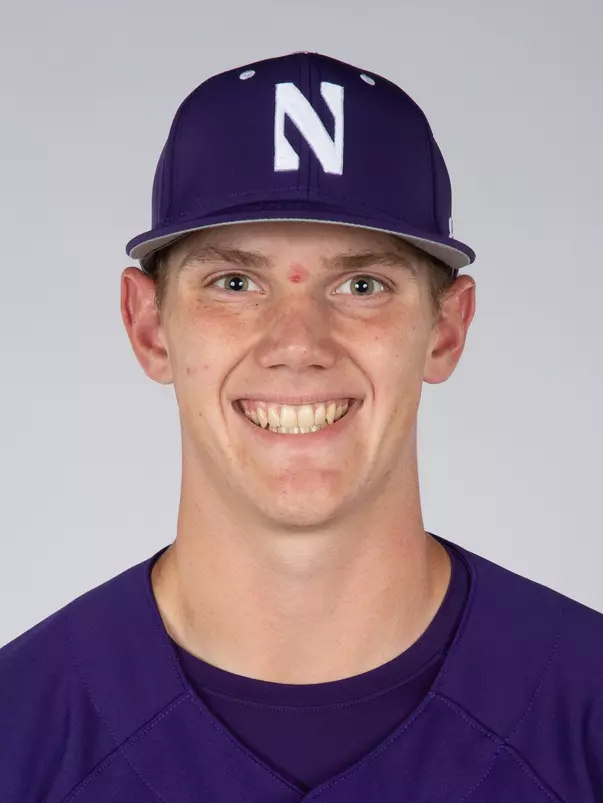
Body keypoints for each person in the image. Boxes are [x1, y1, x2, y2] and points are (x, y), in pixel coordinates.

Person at [1, 51, 601, 803]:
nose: (297, 344)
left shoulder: (585, 713)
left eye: (360, 285)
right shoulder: (19, 734)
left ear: (445, 331)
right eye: (234, 282)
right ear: (149, 326)